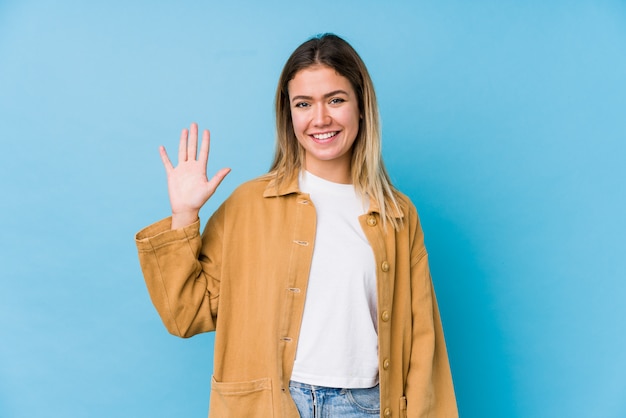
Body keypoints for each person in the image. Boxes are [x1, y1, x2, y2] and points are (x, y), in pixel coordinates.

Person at [135, 33, 458, 418]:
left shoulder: (397, 214)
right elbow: (185, 315)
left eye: (335, 100)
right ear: (289, 114)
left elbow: (423, 343)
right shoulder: (251, 204)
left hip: (365, 406)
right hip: (269, 405)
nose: (320, 119)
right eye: (303, 104)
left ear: (361, 107)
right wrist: (184, 215)